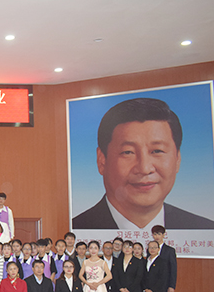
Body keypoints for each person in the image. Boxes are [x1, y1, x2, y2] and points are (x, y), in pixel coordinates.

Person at [72, 97, 214, 229]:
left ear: (177, 159)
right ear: (102, 160)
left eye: (157, 151)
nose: (144, 168)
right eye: (128, 152)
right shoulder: (77, 228)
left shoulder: (203, 228)